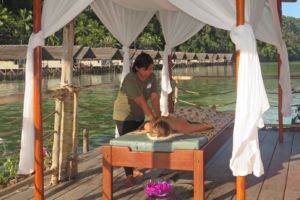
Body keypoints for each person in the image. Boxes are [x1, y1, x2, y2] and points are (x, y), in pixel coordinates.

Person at [113, 52, 161, 186]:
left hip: (139, 115)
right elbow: (141, 101)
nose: (150, 71)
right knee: (127, 145)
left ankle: (133, 168)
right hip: (124, 115)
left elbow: (154, 98)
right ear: (138, 68)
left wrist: (159, 116)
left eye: (151, 68)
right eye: (147, 69)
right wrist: (152, 118)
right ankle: (129, 175)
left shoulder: (152, 77)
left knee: (137, 142)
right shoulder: (130, 79)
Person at [143, 116, 214, 138]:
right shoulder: (183, 128)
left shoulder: (183, 127)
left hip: (178, 122)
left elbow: (207, 126)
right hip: (171, 121)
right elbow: (208, 126)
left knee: (193, 126)